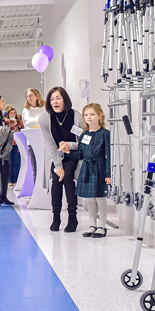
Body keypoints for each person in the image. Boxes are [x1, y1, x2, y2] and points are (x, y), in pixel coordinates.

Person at [62, 103, 111, 238]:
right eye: (86, 115)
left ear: (99, 116)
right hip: (87, 168)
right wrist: (68, 152)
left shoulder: (105, 134)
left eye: (92, 114)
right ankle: (92, 225)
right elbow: (80, 155)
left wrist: (108, 173)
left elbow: (109, 155)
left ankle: (102, 226)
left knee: (100, 198)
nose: (89, 117)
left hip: (100, 167)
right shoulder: (84, 135)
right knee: (90, 199)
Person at [39, 86, 83, 233]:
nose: (54, 102)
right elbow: (50, 143)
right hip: (56, 155)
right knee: (57, 180)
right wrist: (58, 165)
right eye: (51, 99)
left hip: (73, 153)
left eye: (58, 98)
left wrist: (69, 145)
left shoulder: (76, 116)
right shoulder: (45, 118)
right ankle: (56, 217)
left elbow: (83, 141)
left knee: (68, 178)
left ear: (65, 99)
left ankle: (72, 217)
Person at [22, 88, 46, 184]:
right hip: (31, 142)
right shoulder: (25, 111)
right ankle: (36, 193)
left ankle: (46, 193)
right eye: (27, 96)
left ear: (37, 96)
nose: (29, 98)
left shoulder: (44, 109)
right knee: (34, 168)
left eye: (31, 95)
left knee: (43, 168)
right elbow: (25, 125)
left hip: (43, 141)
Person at [4, 104, 24, 186]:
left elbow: (23, 131)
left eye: (14, 112)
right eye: (11, 113)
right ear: (8, 114)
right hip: (8, 144)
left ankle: (16, 179)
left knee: (17, 162)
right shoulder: (6, 122)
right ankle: (10, 180)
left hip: (17, 144)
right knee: (10, 163)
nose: (13, 114)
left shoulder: (19, 122)